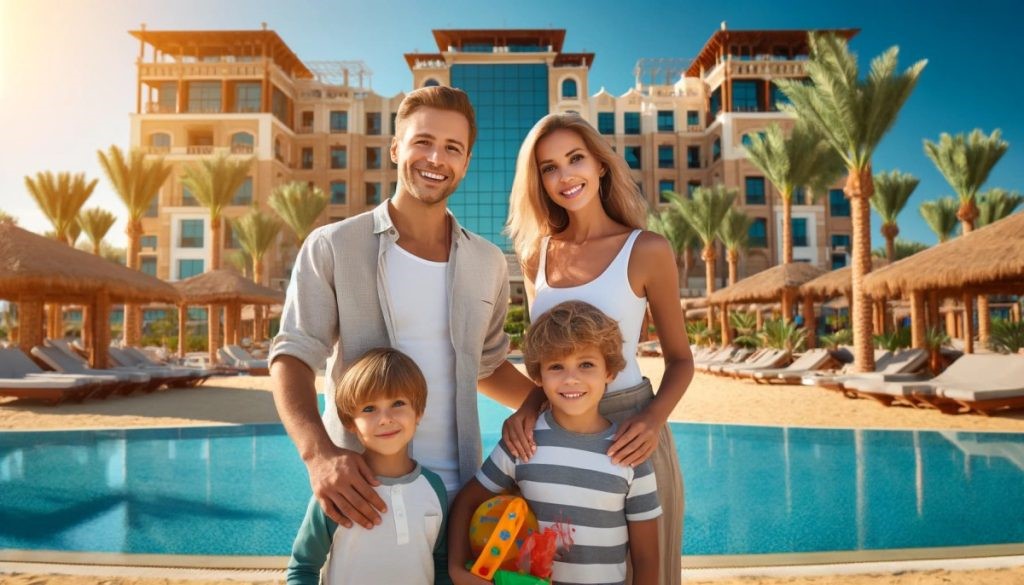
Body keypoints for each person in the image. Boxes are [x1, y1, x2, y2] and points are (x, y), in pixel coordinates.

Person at [270, 86, 544, 537]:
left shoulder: (488, 262)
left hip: (460, 501)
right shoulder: (333, 246)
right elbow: (293, 356)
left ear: (466, 162)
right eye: (423, 142)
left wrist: (542, 404)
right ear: (396, 148)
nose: (436, 158)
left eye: (452, 148)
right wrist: (318, 455)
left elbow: (486, 365)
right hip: (363, 496)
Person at [505, 112, 694, 584]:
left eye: (575, 159)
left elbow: (681, 361)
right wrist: (529, 406)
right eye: (549, 167)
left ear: (601, 165)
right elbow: (544, 357)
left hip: (632, 435)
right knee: (555, 568)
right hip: (555, 435)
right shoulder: (535, 255)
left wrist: (652, 421)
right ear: (539, 180)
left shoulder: (647, 249)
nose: (565, 176)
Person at [448, 301, 661, 585]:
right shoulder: (523, 442)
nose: (571, 378)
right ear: (539, 377)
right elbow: (466, 502)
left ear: (609, 371)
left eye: (586, 364)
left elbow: (647, 559)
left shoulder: (629, 452)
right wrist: (457, 570)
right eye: (556, 366)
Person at [287, 348, 448, 585]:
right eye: (369, 408)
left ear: (419, 412)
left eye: (398, 403)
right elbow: (303, 568)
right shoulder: (340, 489)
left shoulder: (434, 488)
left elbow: (441, 564)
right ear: (350, 421)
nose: (385, 418)